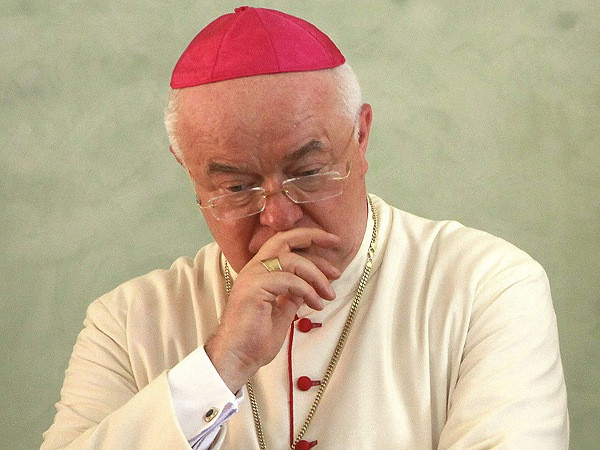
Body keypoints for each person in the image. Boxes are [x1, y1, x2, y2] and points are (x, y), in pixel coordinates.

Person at [42, 6, 569, 449]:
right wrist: (222, 363)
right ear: (188, 171)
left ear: (361, 136)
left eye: (308, 173)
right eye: (237, 187)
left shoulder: (486, 287)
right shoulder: (126, 322)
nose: (278, 217)